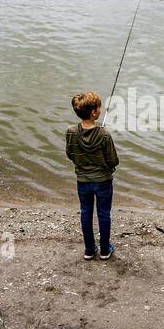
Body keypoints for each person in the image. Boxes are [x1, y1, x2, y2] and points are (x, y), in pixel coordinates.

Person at [65, 91, 119, 260]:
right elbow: (113, 160)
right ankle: (104, 250)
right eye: (99, 107)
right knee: (104, 214)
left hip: (82, 181)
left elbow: (70, 154)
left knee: (85, 212)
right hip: (103, 181)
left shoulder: (71, 131)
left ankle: (89, 249)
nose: (100, 109)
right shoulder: (104, 135)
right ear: (94, 112)